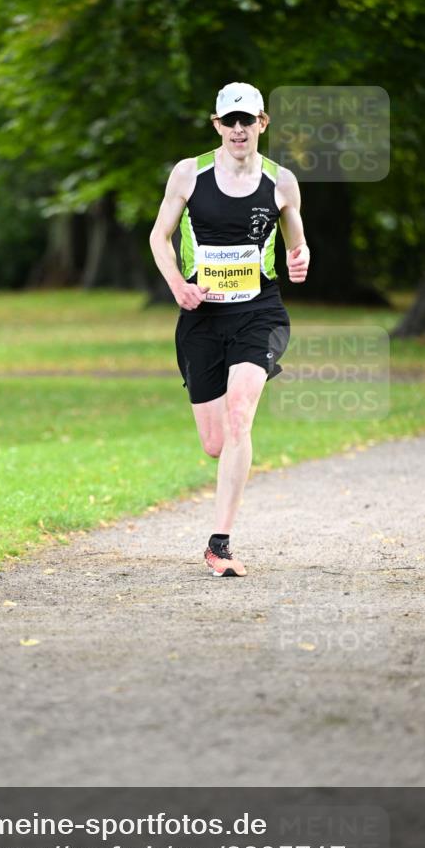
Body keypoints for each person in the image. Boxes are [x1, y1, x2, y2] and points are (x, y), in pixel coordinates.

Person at [149, 81, 309, 577]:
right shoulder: (189, 173)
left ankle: (219, 544)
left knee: (240, 416)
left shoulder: (281, 181)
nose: (238, 129)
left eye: (248, 120)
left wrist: (300, 258)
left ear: (262, 123)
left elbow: (296, 242)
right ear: (217, 125)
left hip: (259, 313)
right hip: (201, 318)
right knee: (216, 443)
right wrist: (178, 284)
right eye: (229, 121)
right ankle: (222, 519)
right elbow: (160, 236)